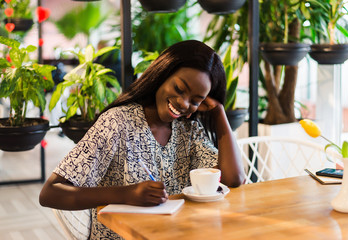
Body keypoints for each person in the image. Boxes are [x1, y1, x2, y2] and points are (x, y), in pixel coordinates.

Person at [39, 40, 246, 239]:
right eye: (179, 89)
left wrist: (219, 113)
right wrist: (126, 194)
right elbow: (50, 193)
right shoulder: (117, 123)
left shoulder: (188, 129)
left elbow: (233, 179)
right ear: (162, 75)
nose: (183, 103)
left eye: (195, 100)